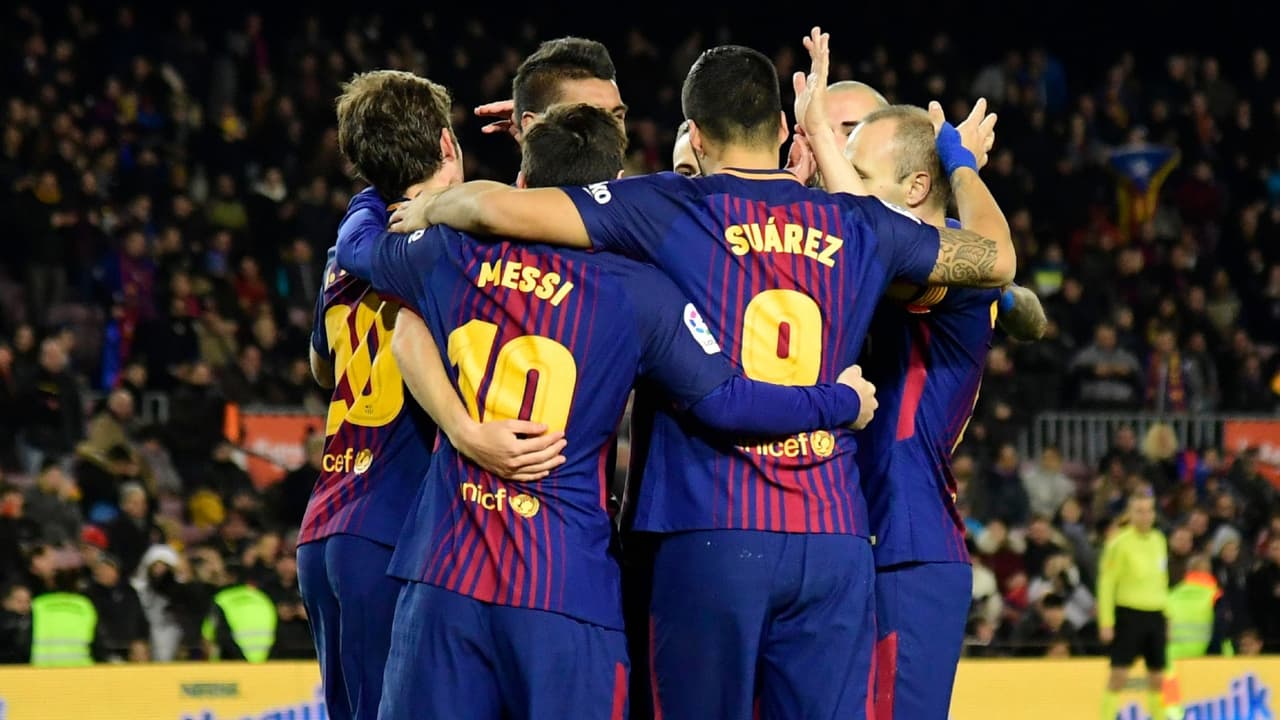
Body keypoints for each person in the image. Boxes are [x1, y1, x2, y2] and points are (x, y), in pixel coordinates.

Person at [386, 28, 1016, 720]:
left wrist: (433, 206)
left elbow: (497, 208)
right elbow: (996, 260)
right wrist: (960, 164)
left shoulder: (666, 205)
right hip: (832, 534)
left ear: (697, 135)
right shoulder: (860, 223)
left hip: (709, 524)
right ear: (784, 129)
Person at [337, 100, 876, 720]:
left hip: (445, 573)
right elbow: (729, 402)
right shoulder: (639, 291)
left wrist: (380, 183)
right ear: (612, 187)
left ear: (521, 182)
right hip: (563, 584)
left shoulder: (445, 253)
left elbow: (358, 249)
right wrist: (840, 399)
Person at [833, 99, 1045, 718]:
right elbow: (1028, 312)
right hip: (859, 533)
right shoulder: (946, 260)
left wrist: (962, 166)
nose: (844, 187)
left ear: (917, 186)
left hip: (907, 541)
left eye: (859, 174)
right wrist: (1010, 301)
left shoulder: (930, 263)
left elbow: (992, 259)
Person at [1097, 493, 1169, 720]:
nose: (1145, 516)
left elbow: (1162, 580)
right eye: (1139, 511)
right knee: (1119, 675)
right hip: (1129, 615)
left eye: (1149, 511)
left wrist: (1167, 616)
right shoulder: (1118, 543)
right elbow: (1107, 583)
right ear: (1130, 514)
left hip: (1155, 615)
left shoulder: (1159, 540)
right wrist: (1106, 622)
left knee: (1157, 677)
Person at [1163, 554, 1230, 719]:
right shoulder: (1215, 595)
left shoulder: (1172, 595)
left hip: (1173, 656)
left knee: (1172, 700)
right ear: (1208, 571)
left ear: (1188, 571)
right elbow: (1221, 628)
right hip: (1205, 655)